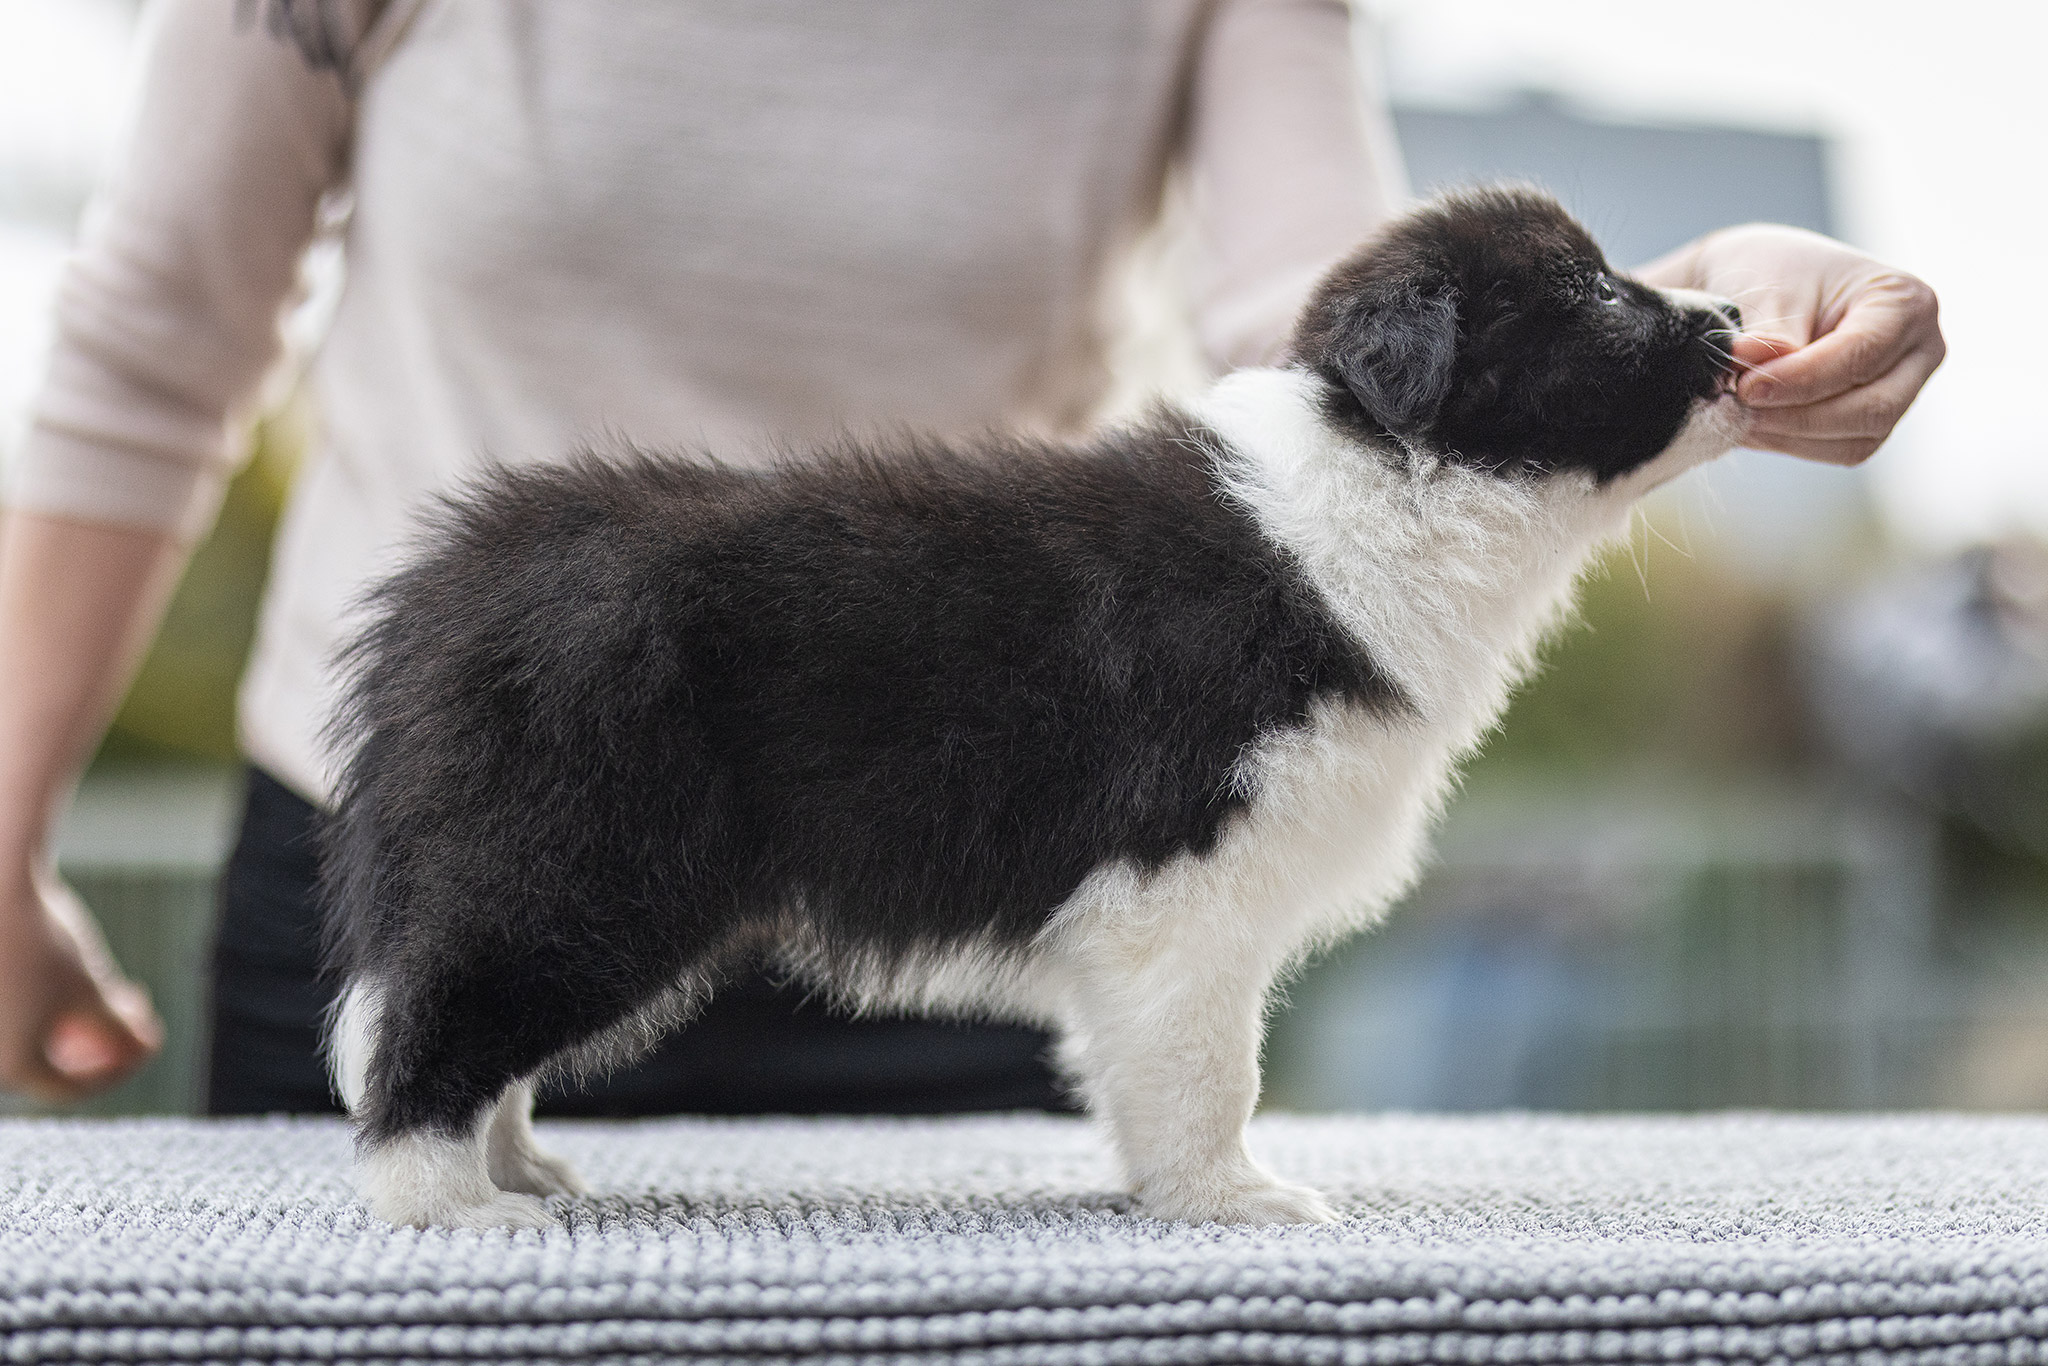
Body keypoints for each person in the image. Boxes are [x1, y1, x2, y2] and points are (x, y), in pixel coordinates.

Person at [0, 0, 1943, 1110]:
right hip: (451, 818)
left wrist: (1693, 331)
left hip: (978, 839)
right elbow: (153, 333)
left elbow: (1334, 333)